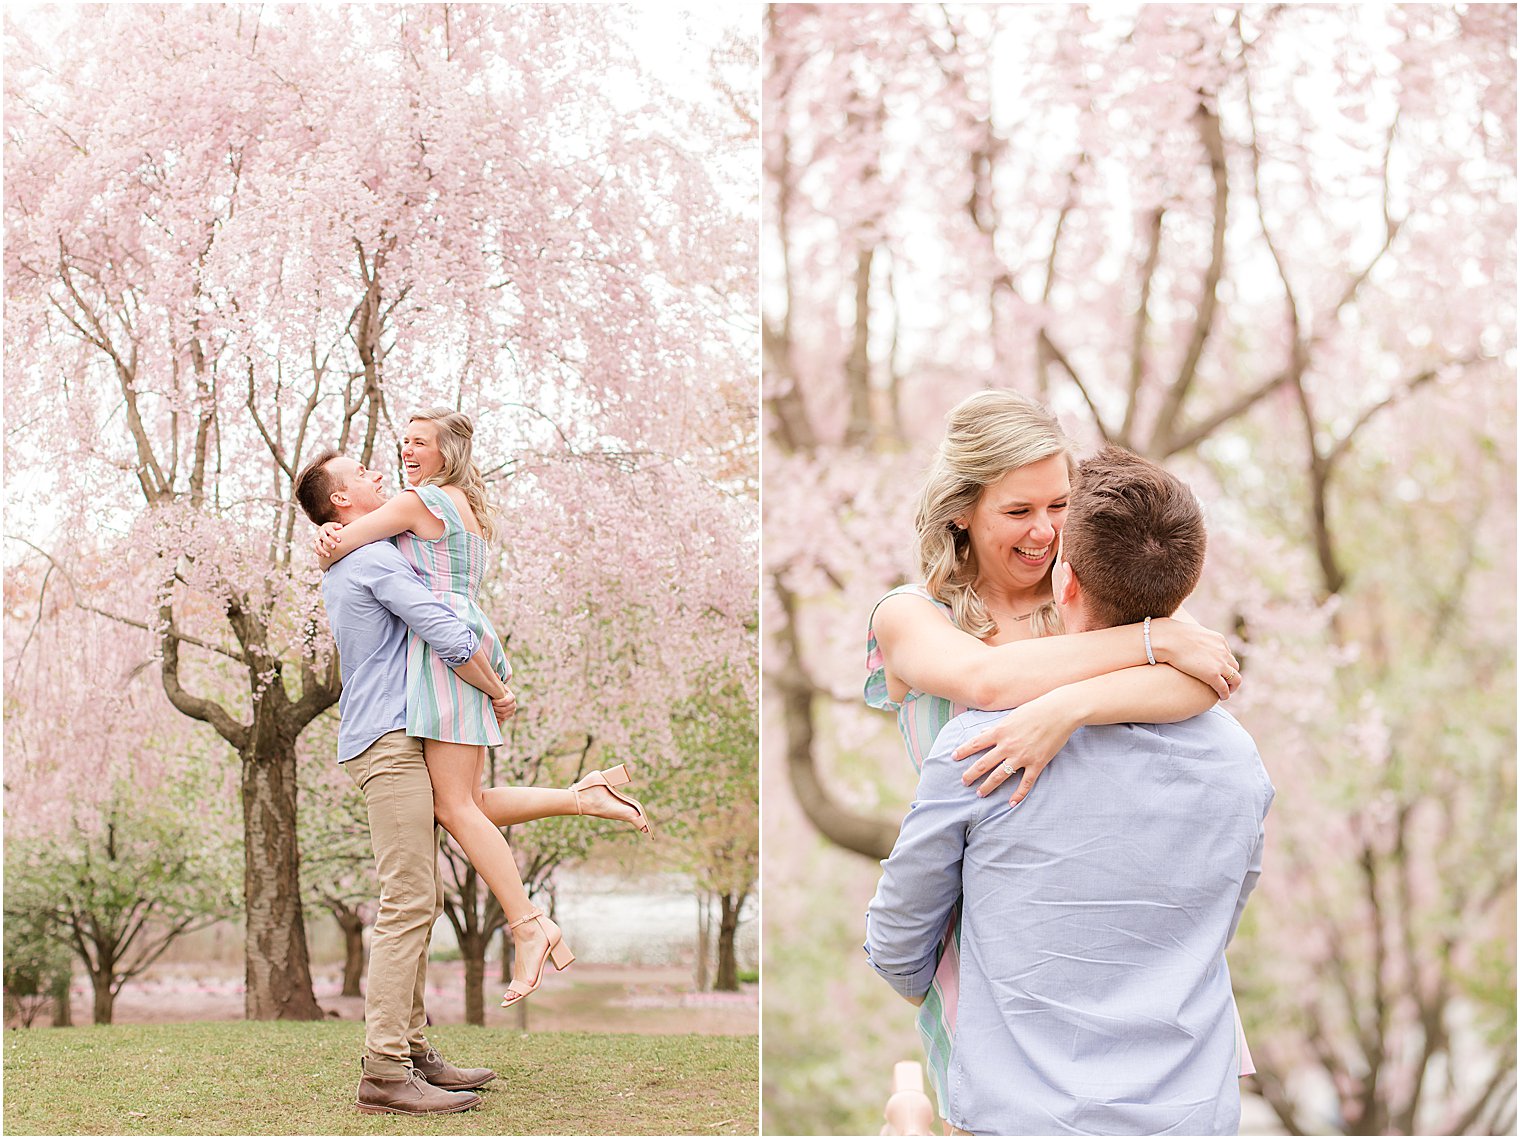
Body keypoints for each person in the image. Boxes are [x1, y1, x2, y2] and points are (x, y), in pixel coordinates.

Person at [865, 445, 1274, 1135]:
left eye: (1054, 510)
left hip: (1020, 1107)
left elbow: (897, 945)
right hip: (1188, 1113)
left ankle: (907, 1117)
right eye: (1019, 509)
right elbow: (1215, 920)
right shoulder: (1239, 761)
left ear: (1066, 579)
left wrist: (1068, 709)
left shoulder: (982, 748)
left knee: (909, 1117)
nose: (1039, 527)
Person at [308, 409, 649, 1012]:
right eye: (403, 441)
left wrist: (326, 545)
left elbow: (345, 542)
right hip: (460, 638)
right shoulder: (454, 499)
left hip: (446, 650)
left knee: (455, 805)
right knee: (463, 803)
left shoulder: (420, 501)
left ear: (444, 452)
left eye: (419, 442)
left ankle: (528, 925)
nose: (404, 452)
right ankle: (585, 797)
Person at [294, 446, 508, 1116]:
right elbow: (442, 629)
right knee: (408, 900)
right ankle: (385, 1068)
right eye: (360, 474)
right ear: (341, 502)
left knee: (422, 897)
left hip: (393, 735)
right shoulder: (373, 558)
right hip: (386, 742)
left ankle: (413, 1051)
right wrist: (498, 691)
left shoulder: (357, 547)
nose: (377, 474)